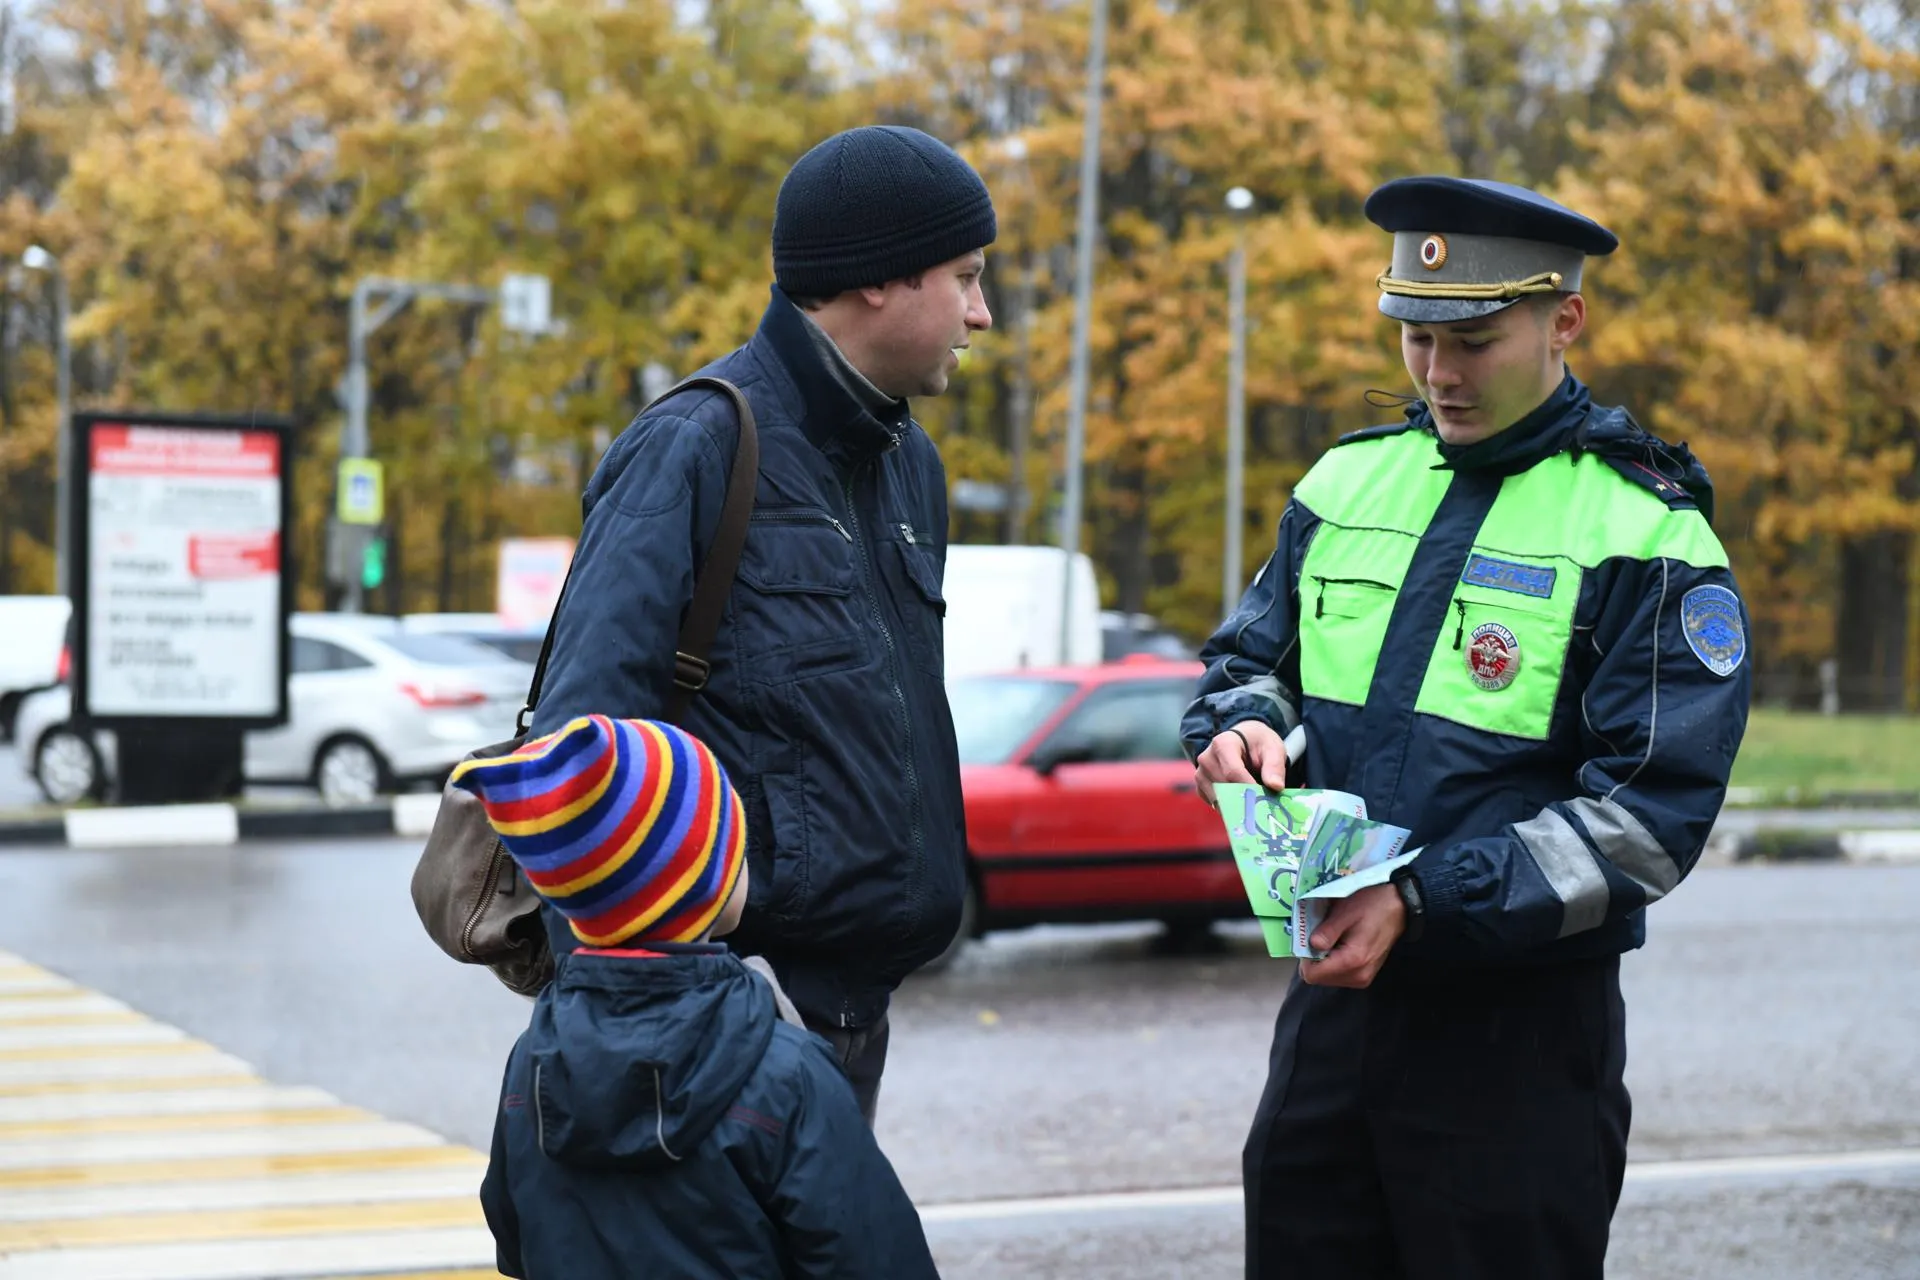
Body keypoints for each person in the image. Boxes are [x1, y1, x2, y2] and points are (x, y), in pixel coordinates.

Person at [1182, 176, 1752, 1279]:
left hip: (1520, 1047)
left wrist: (1422, 898)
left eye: (1475, 340)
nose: (1439, 372)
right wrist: (1241, 730)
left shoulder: (1648, 531)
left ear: (1564, 320)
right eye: (1414, 336)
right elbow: (1247, 661)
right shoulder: (1344, 479)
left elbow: (1648, 819)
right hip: (1330, 1024)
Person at [530, 125, 996, 1121]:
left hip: (845, 1019)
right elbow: (582, 751)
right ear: (880, 279)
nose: (982, 312)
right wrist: (674, 1006)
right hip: (715, 1034)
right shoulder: (695, 446)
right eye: (965, 276)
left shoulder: (910, 463)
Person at [456, 714, 940, 1280]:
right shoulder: (788, 1072)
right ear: (697, 885)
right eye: (733, 849)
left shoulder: (532, 1061)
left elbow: (513, 1242)